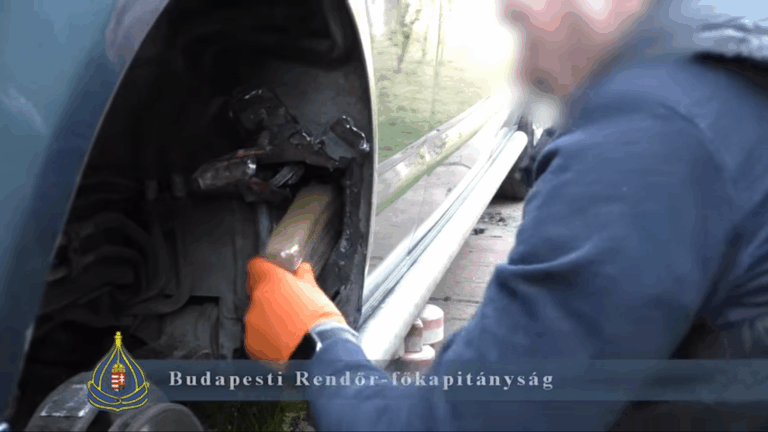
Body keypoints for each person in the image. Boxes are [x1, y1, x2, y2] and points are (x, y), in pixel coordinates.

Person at [244, 0, 768, 430]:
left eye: (519, 21)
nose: (524, 71)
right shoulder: (723, 47)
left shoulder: (649, 135)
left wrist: (318, 345)